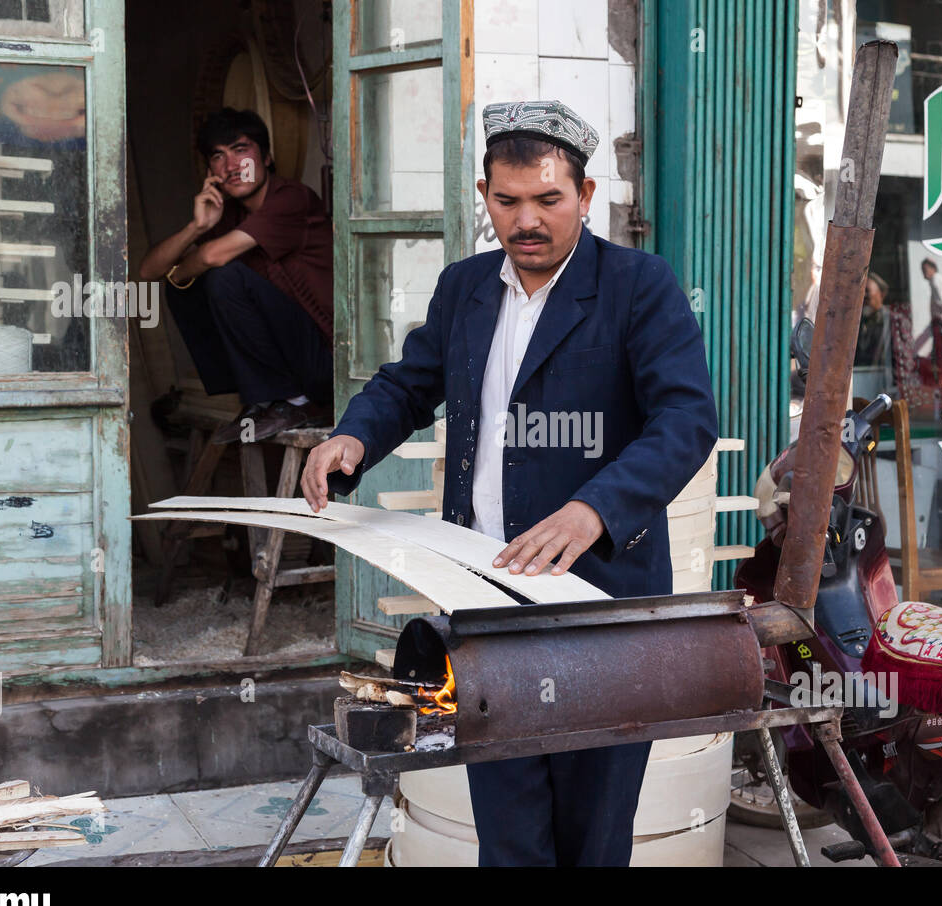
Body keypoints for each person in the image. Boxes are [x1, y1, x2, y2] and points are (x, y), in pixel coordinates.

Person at [299, 100, 719, 866]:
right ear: (486, 197)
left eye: (549, 200)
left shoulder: (638, 287)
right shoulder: (466, 289)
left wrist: (595, 508)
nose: (527, 221)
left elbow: (686, 419)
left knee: (593, 837)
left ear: (586, 197)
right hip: (485, 609)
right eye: (507, 201)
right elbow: (408, 382)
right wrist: (352, 436)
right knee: (511, 832)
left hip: (601, 613)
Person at [140, 108, 336, 443]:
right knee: (185, 287)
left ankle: (295, 402)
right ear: (210, 170)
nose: (232, 166)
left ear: (268, 156)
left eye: (241, 150)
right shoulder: (228, 215)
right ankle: (263, 400)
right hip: (290, 357)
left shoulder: (291, 198)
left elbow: (211, 256)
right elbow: (148, 273)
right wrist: (196, 227)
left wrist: (186, 267)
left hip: (326, 360)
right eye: (219, 156)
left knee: (219, 276)